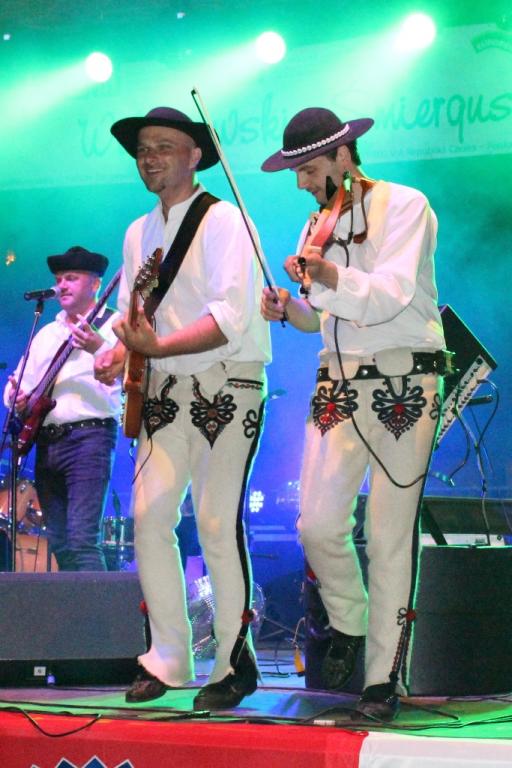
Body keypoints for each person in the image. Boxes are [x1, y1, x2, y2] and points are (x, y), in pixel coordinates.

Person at [260, 107, 448, 721]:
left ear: (343, 156)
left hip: (403, 381)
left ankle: (382, 678)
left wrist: (328, 274)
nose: (300, 183)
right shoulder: (315, 223)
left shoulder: (406, 204)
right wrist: (290, 307)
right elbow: (322, 316)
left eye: (307, 169)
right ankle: (352, 621)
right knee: (315, 523)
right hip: (338, 384)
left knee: (391, 535)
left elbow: (391, 294)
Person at [94, 107, 271, 709]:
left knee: (217, 525)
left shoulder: (224, 220)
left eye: (164, 147)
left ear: (195, 156)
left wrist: (155, 346)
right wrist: (120, 350)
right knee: (148, 518)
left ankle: (234, 661)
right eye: (143, 149)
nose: (150, 157)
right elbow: (133, 312)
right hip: (166, 391)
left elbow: (230, 317)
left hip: (228, 384)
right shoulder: (137, 231)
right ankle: (167, 655)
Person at [4, 246, 121, 571]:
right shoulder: (47, 332)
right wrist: (17, 398)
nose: (61, 286)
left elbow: (131, 376)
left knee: (82, 540)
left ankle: (97, 606)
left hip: (90, 438)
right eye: (58, 279)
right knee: (60, 543)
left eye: (71, 278)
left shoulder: (115, 324)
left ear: (95, 284)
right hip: (47, 441)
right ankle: (76, 604)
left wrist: (99, 346)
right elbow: (18, 383)